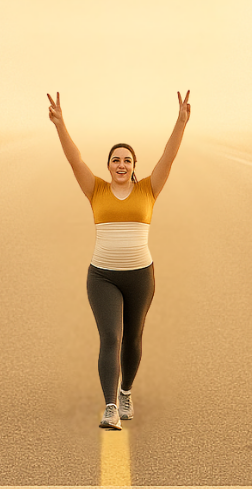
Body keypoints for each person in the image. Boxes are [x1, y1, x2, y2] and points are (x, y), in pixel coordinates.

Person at [47, 90, 191, 430]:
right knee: (111, 335)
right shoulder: (95, 189)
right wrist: (60, 125)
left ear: (134, 166)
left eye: (127, 160)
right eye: (115, 160)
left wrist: (181, 122)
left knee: (133, 337)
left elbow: (168, 159)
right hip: (103, 277)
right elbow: (75, 159)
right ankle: (111, 407)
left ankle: (126, 391)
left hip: (141, 275)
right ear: (108, 166)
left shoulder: (148, 190)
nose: (121, 165)